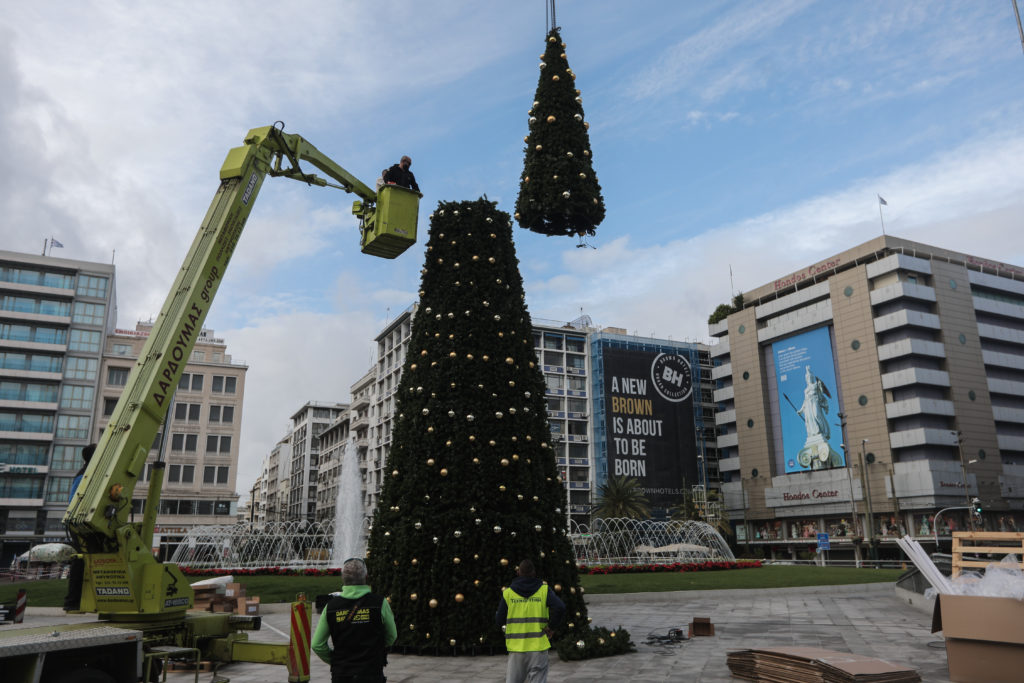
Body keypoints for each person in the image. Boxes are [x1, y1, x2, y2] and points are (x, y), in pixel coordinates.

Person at [312, 557, 397, 683]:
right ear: (366, 576)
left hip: (342, 674)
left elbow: (317, 645)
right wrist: (375, 652)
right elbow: (392, 636)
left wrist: (336, 661)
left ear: (343, 578)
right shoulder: (380, 603)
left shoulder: (331, 607)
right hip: (371, 672)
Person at [495, 559, 565, 683]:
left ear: (518, 573)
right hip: (538, 648)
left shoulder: (509, 593)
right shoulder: (544, 590)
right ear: (534, 573)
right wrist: (551, 627)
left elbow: (499, 619)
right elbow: (560, 607)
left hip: (516, 648)